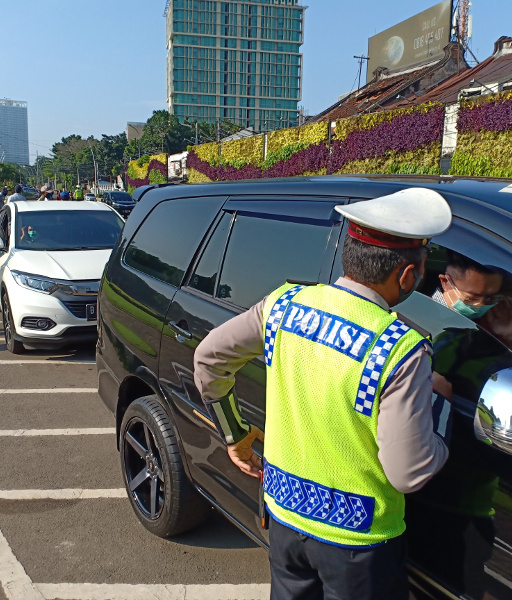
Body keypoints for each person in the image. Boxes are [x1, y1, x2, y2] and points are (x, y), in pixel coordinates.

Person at [193, 189, 452, 600]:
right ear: (407, 276)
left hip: (283, 519)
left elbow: (209, 359)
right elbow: (409, 471)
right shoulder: (400, 349)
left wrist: (235, 434)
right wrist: (440, 428)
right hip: (357, 547)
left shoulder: (283, 306)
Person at [431, 250, 512, 364]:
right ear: (445, 282)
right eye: (472, 298)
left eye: (489, 298)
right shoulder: (419, 315)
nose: (481, 305)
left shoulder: (492, 321)